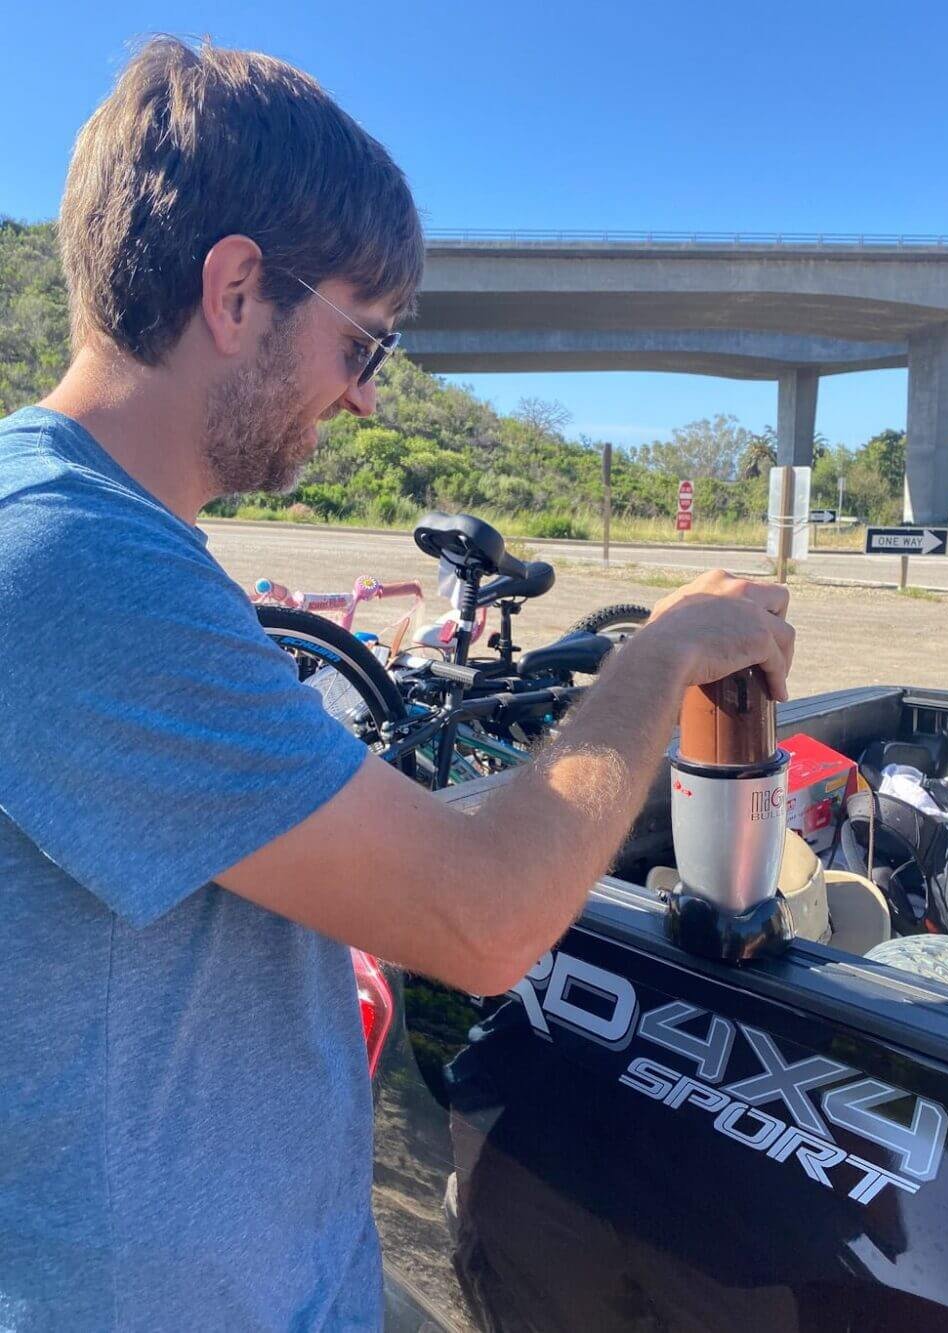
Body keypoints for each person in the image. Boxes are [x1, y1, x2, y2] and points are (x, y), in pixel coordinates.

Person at [0, 37, 794, 1332]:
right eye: (362, 344)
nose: (366, 401)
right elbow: (479, 921)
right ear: (240, 289)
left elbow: (368, 838)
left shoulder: (126, 547)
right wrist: (658, 657)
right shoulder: (68, 564)